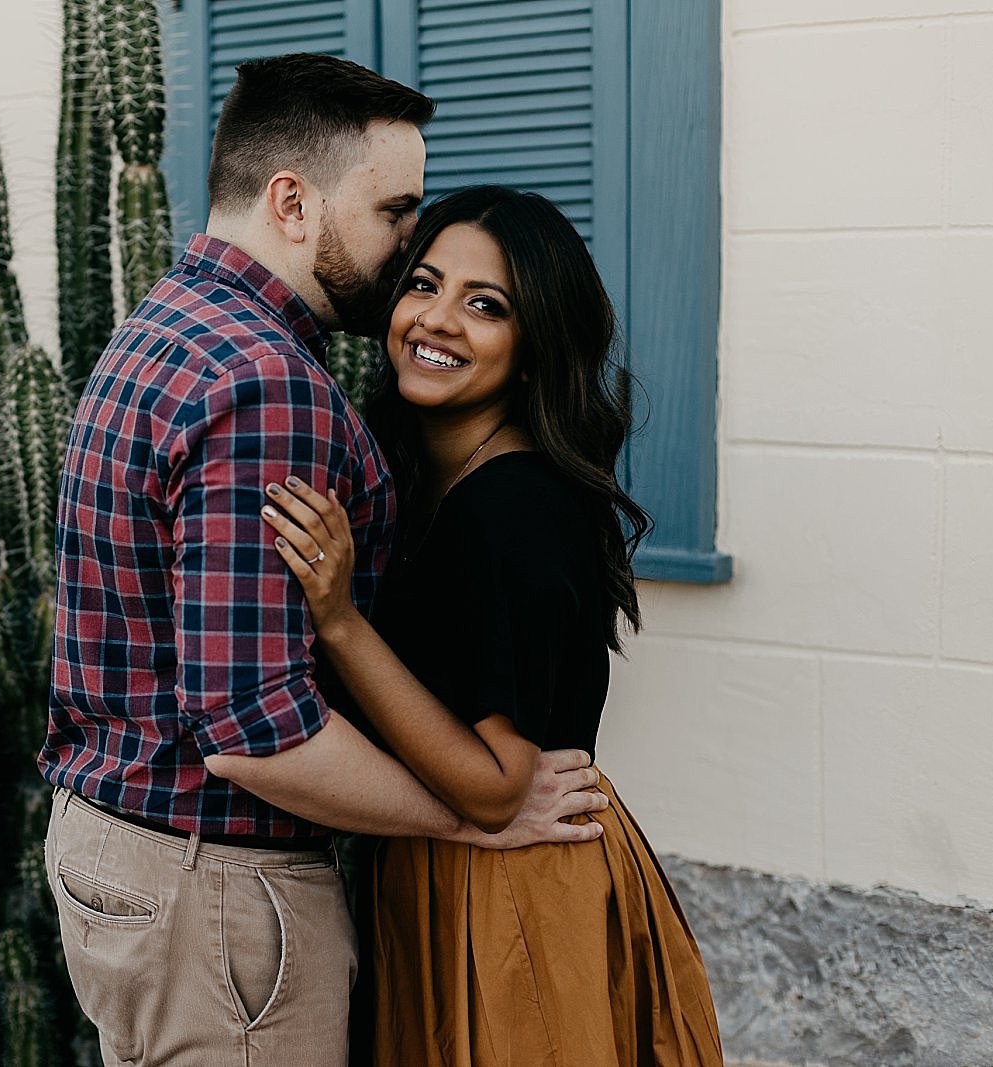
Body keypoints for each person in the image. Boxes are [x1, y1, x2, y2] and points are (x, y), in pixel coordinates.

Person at [40, 57, 610, 1067]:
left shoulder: (165, 325)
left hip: (118, 847)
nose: (404, 250)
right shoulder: (269, 386)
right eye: (395, 215)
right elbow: (255, 734)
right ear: (293, 202)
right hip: (212, 887)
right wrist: (472, 816)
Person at [260, 184, 725, 1065]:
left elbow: (496, 784)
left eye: (486, 305)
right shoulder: (425, 479)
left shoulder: (509, 507)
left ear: (533, 346)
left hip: (509, 894)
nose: (437, 320)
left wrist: (340, 621)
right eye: (423, 284)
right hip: (464, 873)